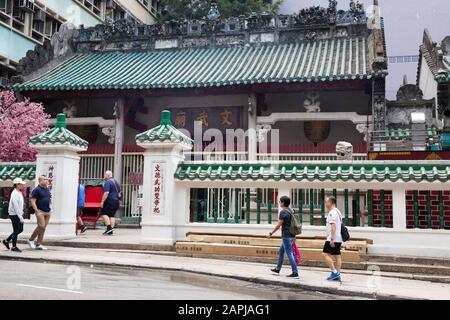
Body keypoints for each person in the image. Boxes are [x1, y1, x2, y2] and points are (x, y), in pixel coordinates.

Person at [268, 195, 299, 278]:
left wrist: (271, 233)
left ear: (283, 203)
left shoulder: (283, 212)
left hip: (286, 236)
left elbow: (279, 225)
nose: (279, 203)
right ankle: (278, 268)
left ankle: (295, 272)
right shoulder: (291, 210)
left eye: (280, 202)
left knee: (289, 254)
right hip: (292, 235)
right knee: (281, 251)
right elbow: (293, 224)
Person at [28, 175, 52, 250]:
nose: (47, 180)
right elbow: (32, 201)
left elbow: (49, 199)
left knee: (43, 228)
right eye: (45, 179)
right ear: (40, 181)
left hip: (47, 211)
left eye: (47, 179)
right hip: (40, 211)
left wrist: (50, 208)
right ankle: (31, 240)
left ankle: (38, 244)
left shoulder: (47, 189)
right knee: (41, 226)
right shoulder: (36, 189)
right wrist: (36, 211)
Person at [2, 178, 26, 252]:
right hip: (14, 214)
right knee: (16, 230)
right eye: (21, 184)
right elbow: (15, 207)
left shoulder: (19, 192)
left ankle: (7, 240)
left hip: (18, 214)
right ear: (17, 185)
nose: (23, 185)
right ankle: (14, 247)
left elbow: (20, 205)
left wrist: (21, 213)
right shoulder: (14, 194)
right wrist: (20, 217)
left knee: (20, 229)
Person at [323, 196, 343, 282]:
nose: (326, 204)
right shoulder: (338, 212)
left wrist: (331, 238)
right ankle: (338, 274)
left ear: (331, 202)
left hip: (333, 238)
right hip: (338, 238)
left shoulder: (332, 213)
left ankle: (335, 272)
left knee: (325, 254)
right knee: (337, 256)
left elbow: (333, 227)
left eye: (327, 202)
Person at [100, 171, 121, 236]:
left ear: (108, 175)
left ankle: (109, 228)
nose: (104, 176)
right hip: (116, 201)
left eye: (105, 175)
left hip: (109, 201)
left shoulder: (108, 182)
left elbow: (106, 193)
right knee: (111, 215)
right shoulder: (116, 182)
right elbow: (119, 194)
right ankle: (110, 230)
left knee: (103, 213)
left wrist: (102, 201)